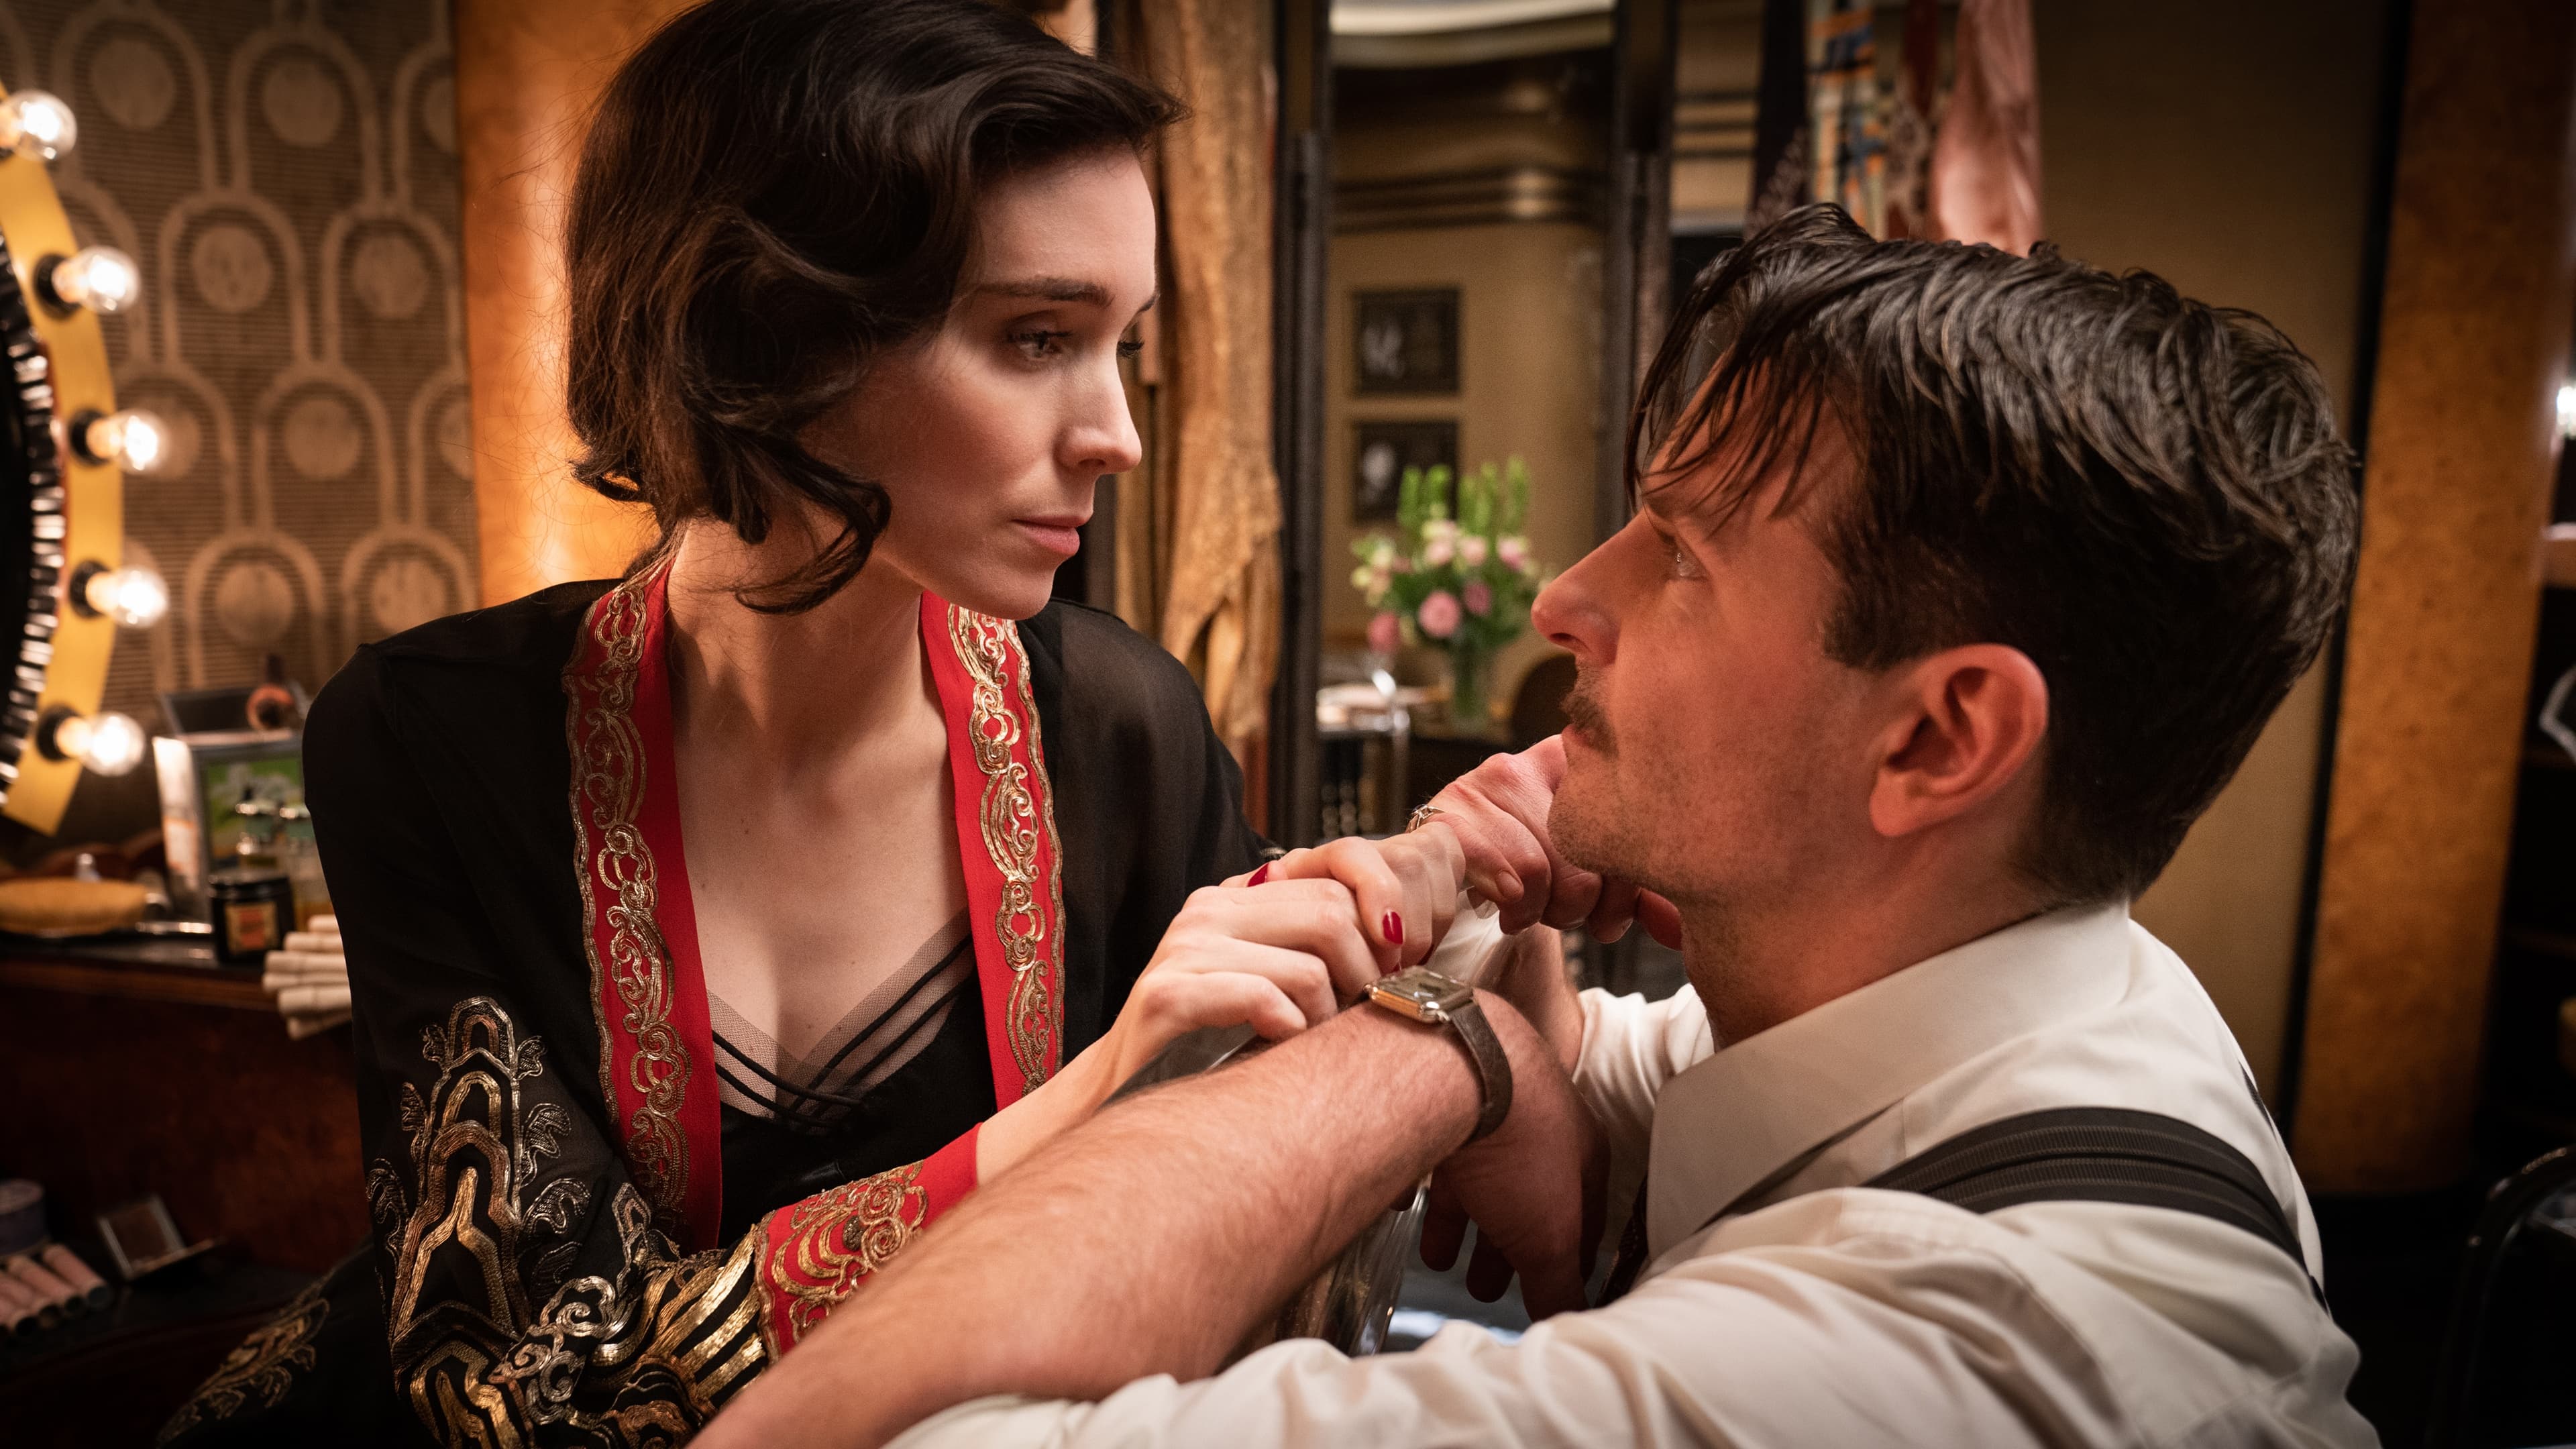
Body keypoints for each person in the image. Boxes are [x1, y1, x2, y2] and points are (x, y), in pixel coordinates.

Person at [690, 207, 2377, 1448]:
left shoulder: (1935, 1374)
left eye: (1684, 555)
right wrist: (1491, 999)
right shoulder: (2068, 1002)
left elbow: (835, 1434)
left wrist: (1434, 1049)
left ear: (1940, 738)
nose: (1568, 597)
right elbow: (1607, 1074)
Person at [156, 4, 1535, 1444]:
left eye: (1123, 344)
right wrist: (1097, 1097)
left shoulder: (1125, 731)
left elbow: (1237, 1250)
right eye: (1037, 338)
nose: (1118, 434)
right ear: (771, 331)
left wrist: (1471, 938)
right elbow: (531, 1389)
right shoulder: (428, 740)